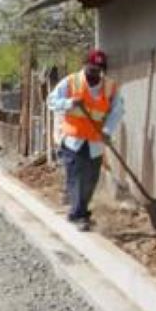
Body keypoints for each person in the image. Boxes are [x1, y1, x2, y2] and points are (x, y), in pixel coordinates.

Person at [46, 48, 123, 230]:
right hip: (74, 140)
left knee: (91, 180)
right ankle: (78, 215)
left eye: (98, 69)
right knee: (77, 178)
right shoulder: (71, 82)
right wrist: (70, 102)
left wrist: (107, 130)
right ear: (85, 66)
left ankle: (81, 210)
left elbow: (117, 111)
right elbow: (51, 101)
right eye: (91, 68)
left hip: (95, 141)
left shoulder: (110, 87)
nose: (94, 73)